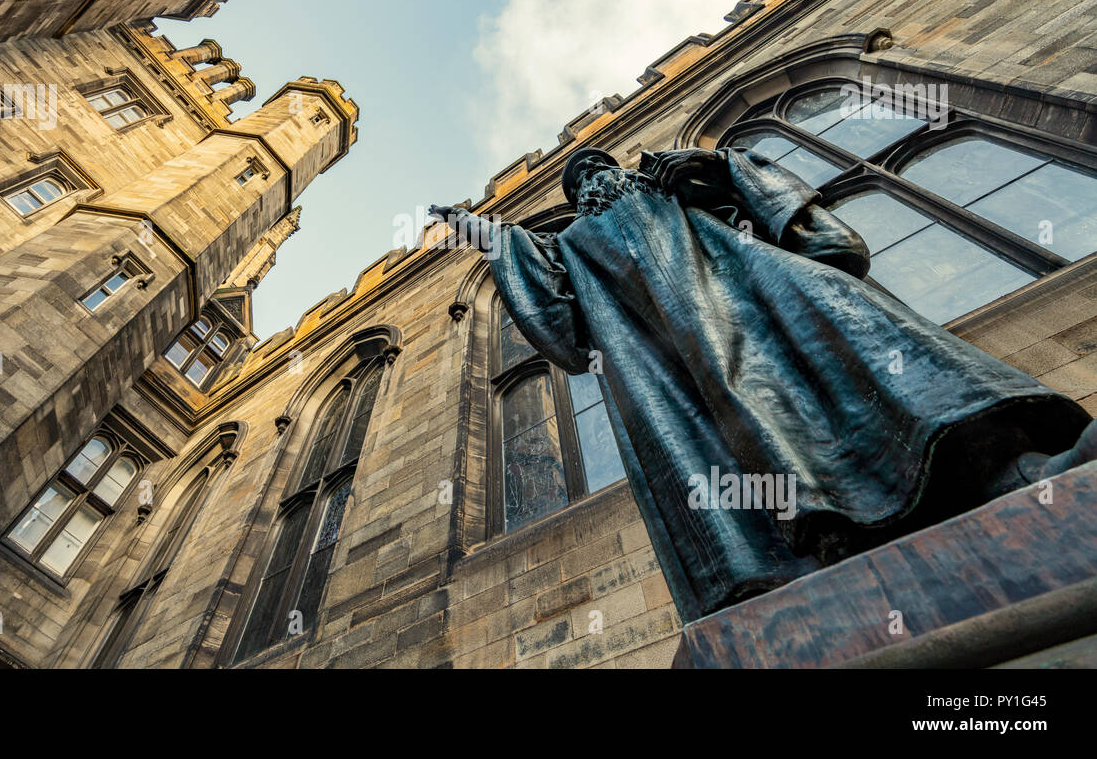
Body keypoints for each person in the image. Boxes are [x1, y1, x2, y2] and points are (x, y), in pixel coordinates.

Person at [430, 146, 1094, 616]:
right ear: (576, 200)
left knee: (862, 336)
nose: (594, 177)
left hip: (756, 286)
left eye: (600, 165)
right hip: (677, 359)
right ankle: (821, 552)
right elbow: (553, 314)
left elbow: (758, 189)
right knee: (748, 426)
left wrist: (711, 165)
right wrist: (488, 235)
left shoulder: (668, 184)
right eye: (581, 178)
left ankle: (1012, 471)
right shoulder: (573, 246)